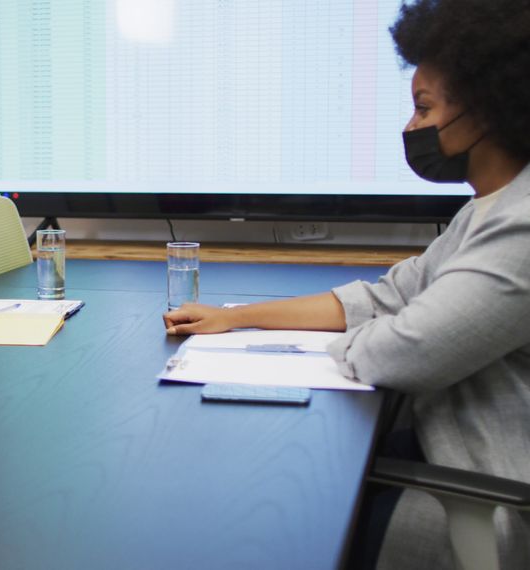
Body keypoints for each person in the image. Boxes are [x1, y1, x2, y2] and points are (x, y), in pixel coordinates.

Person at [164, 0, 530, 567]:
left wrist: (351, 342)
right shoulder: (484, 211)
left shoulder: (523, 225)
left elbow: (407, 351)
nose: (412, 127)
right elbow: (385, 299)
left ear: (485, 108)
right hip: (434, 453)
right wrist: (236, 317)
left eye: (424, 107)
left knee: (275, 525)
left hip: (479, 497)